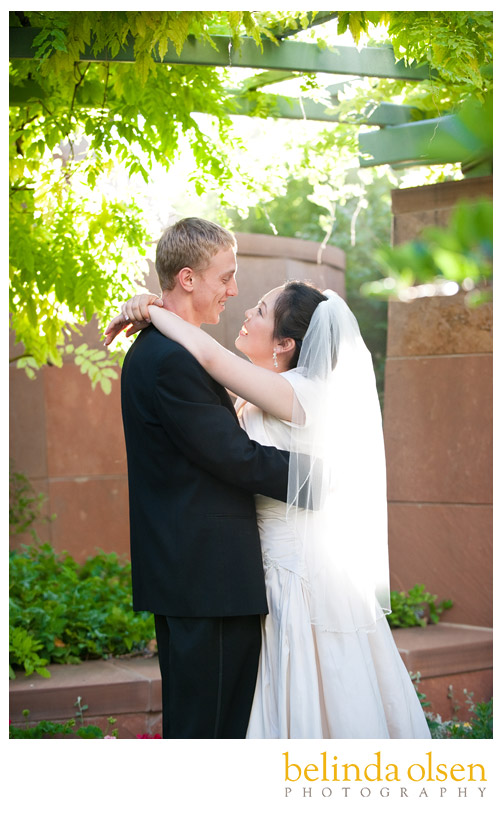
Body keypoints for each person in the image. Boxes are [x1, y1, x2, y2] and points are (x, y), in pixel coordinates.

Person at [108, 276, 431, 739]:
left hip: (296, 581)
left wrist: (154, 313)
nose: (245, 311)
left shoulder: (303, 392)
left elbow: (211, 358)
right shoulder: (269, 389)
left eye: (260, 310)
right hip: (257, 574)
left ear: (285, 342)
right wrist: (147, 304)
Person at [109, 217, 292, 739]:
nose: (233, 291)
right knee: (208, 733)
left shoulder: (166, 347)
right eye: (225, 277)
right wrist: (322, 480)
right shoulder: (170, 360)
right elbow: (235, 457)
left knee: (210, 728)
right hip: (206, 581)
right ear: (187, 279)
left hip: (197, 579)